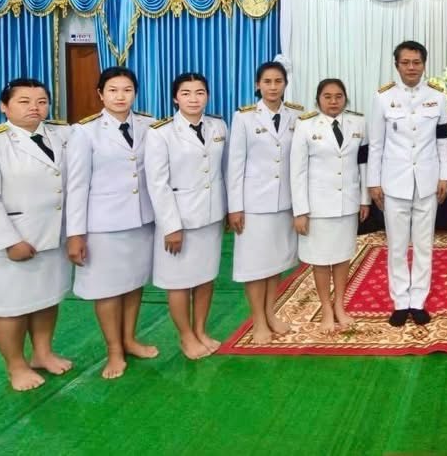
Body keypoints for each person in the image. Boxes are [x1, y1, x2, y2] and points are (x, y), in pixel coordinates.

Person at [0, 78, 73, 391]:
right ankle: (16, 366)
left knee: (47, 298)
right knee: (10, 307)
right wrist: (9, 241)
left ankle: (42, 353)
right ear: (4, 106)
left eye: (41, 101)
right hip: (13, 241)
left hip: (51, 236)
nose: (34, 108)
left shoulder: (60, 134)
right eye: (24, 101)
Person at [65, 66, 159, 379]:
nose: (121, 96)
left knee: (133, 283)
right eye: (113, 90)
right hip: (103, 224)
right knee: (107, 289)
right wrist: (75, 233)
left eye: (127, 90)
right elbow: (77, 185)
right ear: (100, 94)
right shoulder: (84, 132)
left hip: (141, 219)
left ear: (135, 93)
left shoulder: (149, 125)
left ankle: (129, 339)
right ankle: (114, 350)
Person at [368, 41, 447, 327]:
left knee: (424, 245)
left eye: (417, 62)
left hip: (427, 182)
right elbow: (376, 144)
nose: (412, 67)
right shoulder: (383, 98)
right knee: (397, 245)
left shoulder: (437, 97)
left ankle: (418, 300)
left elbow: (444, 140)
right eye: (406, 62)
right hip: (394, 182)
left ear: (424, 64)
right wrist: (374, 182)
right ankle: (400, 302)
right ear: (397, 65)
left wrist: (445, 175)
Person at [145, 73, 227, 360]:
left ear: (207, 96)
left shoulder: (218, 126)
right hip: (179, 220)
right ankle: (186, 336)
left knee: (205, 277)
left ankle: (201, 330)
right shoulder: (161, 133)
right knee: (179, 281)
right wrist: (171, 226)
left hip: (211, 216)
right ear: (175, 97)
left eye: (200, 92)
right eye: (186, 93)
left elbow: (223, 171)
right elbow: (158, 183)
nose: (194, 99)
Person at [226, 61, 300, 344]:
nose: (273, 87)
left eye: (278, 81)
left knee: (275, 263)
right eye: (267, 81)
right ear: (258, 84)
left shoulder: (296, 115)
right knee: (255, 266)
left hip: (285, 202)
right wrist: (235, 207)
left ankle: (270, 314)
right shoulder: (244, 117)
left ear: (285, 84)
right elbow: (235, 165)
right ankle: (257, 320)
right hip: (253, 204)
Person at [291, 78, 370, 332]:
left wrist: (364, 199)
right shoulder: (305, 125)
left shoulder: (358, 123)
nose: (333, 101)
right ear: (318, 100)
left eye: (338, 96)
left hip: (347, 204)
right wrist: (300, 211)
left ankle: (339, 305)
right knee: (321, 259)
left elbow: (363, 164)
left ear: (345, 98)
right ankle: (326, 307)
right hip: (318, 207)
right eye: (327, 96)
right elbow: (297, 171)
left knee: (343, 256)